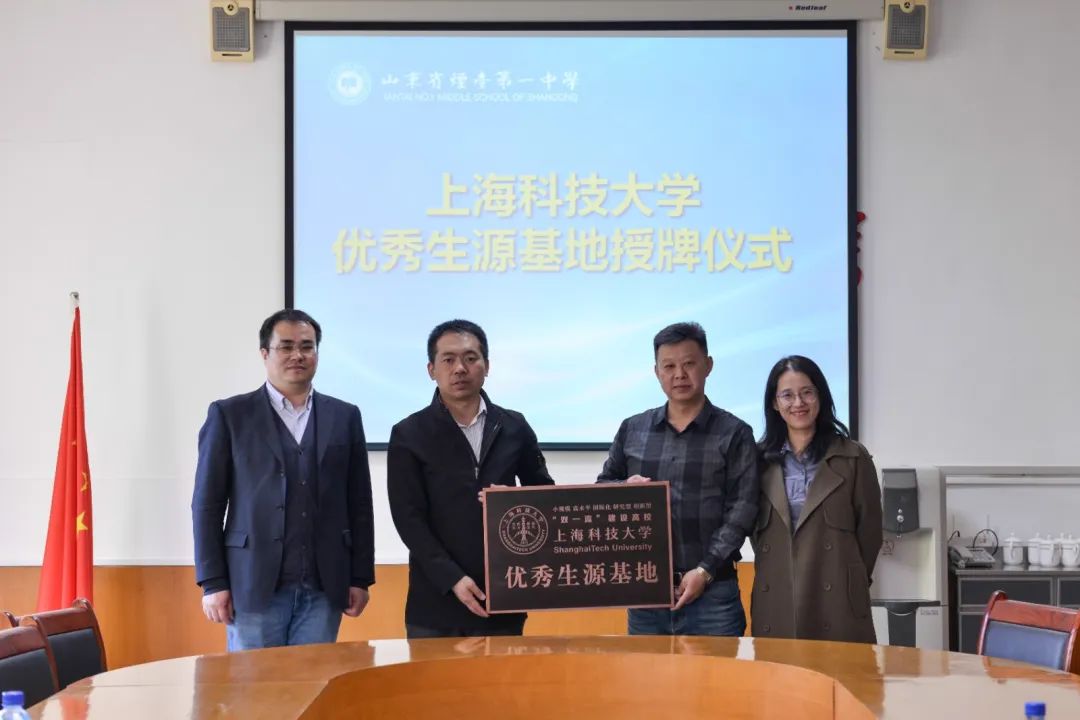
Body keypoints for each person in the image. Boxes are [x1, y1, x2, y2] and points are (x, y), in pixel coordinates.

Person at [191, 309, 375, 650]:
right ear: (265, 353)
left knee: (315, 680)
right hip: (252, 586)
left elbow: (359, 502)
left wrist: (361, 577)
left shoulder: (344, 416)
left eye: (307, 346)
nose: (297, 355)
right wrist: (213, 582)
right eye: (286, 346)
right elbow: (207, 504)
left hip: (323, 588)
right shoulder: (230, 415)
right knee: (253, 682)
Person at [387, 319, 554, 638]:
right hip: (435, 599)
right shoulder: (410, 433)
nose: (460, 368)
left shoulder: (514, 426)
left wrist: (516, 501)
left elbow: (546, 496)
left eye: (470, 358)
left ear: (486, 366)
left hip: (503, 592)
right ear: (431, 370)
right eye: (448, 360)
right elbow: (408, 518)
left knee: (503, 672)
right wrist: (451, 578)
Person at [597, 322, 759, 636]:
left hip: (714, 594)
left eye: (689, 364)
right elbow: (602, 489)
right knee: (648, 671)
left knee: (718, 671)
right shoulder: (633, 429)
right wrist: (623, 490)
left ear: (708, 365)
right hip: (646, 594)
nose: (679, 375)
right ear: (656, 372)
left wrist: (705, 570)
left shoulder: (734, 433)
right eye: (669, 366)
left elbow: (742, 510)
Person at [750, 355, 882, 642]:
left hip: (837, 598)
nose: (798, 403)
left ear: (820, 396)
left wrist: (850, 579)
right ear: (774, 403)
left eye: (807, 392)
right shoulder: (758, 461)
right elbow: (756, 535)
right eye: (787, 395)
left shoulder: (853, 457)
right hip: (778, 595)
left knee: (843, 670)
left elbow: (870, 533)